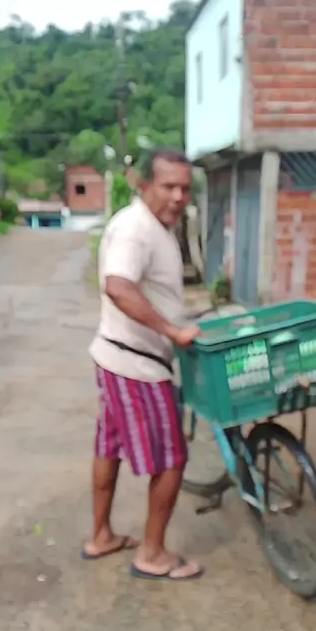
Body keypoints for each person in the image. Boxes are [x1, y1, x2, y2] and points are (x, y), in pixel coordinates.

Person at [83, 147, 203, 580]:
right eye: (168, 186)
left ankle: (102, 536)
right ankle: (152, 554)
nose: (178, 197)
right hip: (135, 363)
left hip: (120, 356)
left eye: (185, 188)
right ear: (144, 184)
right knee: (171, 459)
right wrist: (171, 331)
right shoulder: (135, 229)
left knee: (109, 446)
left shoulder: (158, 227)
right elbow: (118, 286)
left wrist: (178, 322)